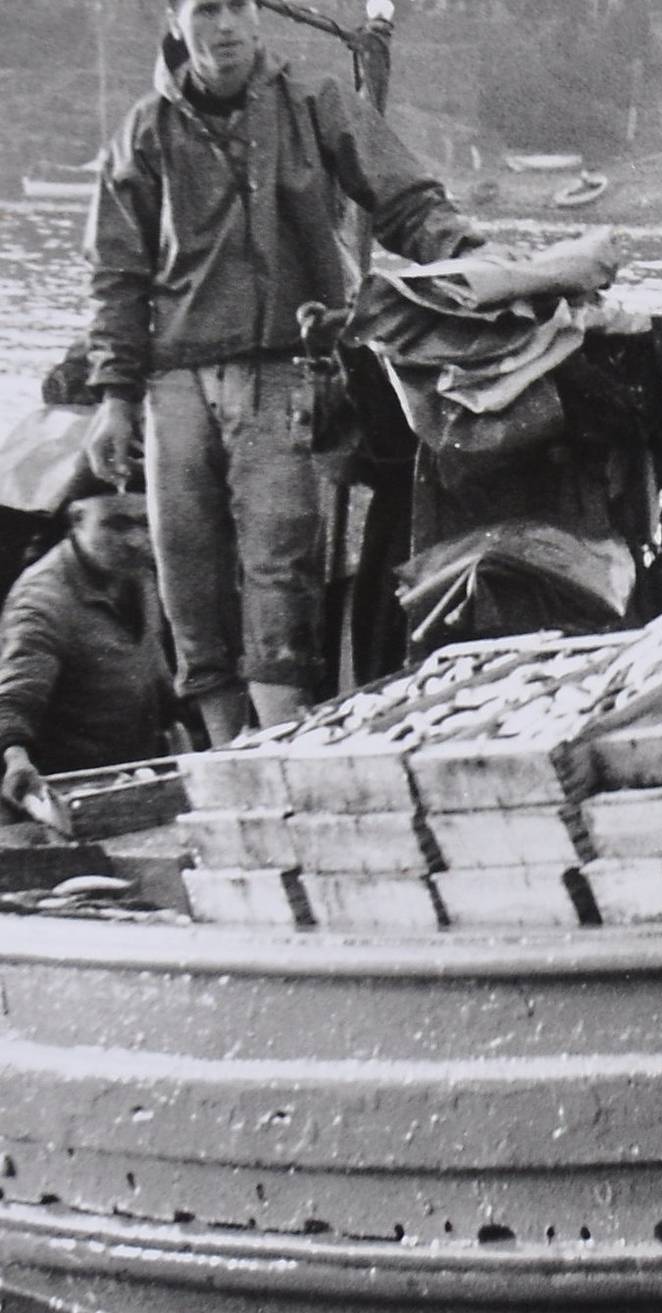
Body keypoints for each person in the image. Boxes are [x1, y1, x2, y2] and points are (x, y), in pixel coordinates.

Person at [83, 0, 483, 744]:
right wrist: (113, 397)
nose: (224, 27)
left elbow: (404, 198)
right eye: (205, 10)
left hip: (281, 368)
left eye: (236, 6)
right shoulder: (144, 132)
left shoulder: (314, 104)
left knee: (278, 559)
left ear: (259, 20)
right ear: (177, 23)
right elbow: (116, 274)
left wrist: (467, 254)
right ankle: (222, 747)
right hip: (173, 381)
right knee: (188, 572)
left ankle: (276, 743)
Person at [0, 491, 174, 813]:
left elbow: (151, 659)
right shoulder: (42, 601)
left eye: (144, 523)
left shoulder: (138, 574)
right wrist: (15, 757)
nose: (136, 540)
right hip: (73, 795)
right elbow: (15, 697)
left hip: (139, 776)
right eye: (116, 525)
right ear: (77, 519)